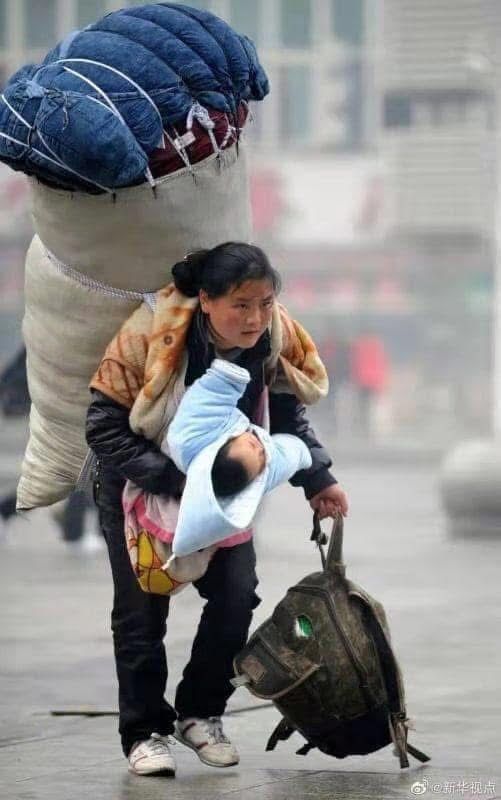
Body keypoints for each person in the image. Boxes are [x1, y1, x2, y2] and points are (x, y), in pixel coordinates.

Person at [86, 242, 349, 777]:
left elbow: (286, 416)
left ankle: (200, 712)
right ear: (206, 300)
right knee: (141, 615)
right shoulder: (149, 336)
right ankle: (144, 733)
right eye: (241, 305)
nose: (254, 318)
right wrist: (180, 482)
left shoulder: (272, 339)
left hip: (220, 495)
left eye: (265, 303)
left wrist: (318, 479)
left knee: (236, 597)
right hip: (138, 488)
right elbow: (103, 427)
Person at [123, 356, 313, 572]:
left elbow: (208, 401)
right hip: (135, 478)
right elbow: (288, 456)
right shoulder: (264, 467)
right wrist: (302, 453)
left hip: (162, 476)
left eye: (253, 446)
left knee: (236, 585)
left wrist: (228, 379)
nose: (261, 448)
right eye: (259, 454)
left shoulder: (190, 442)